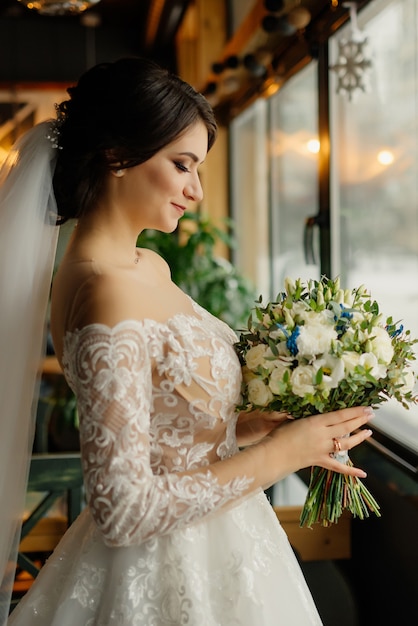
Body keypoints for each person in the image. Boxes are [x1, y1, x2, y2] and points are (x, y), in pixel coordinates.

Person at [0, 57, 374, 626]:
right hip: (164, 568)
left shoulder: (146, 266)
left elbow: (159, 426)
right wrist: (284, 455)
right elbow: (121, 510)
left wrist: (249, 426)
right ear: (116, 155)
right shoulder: (105, 292)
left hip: (227, 541)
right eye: (183, 165)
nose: (196, 191)